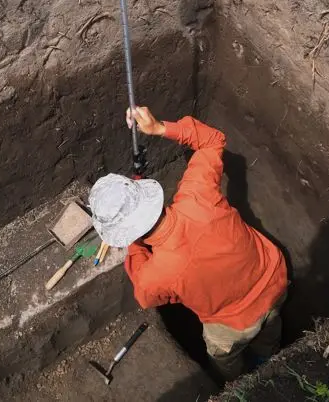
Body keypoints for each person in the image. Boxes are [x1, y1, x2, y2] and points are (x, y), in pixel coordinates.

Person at [88, 106, 288, 381]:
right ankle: (270, 359)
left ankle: (243, 384)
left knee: (225, 357)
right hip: (274, 280)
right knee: (270, 330)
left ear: (123, 234)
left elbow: (145, 295)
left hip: (232, 325)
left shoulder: (154, 276)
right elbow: (213, 140)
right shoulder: (198, 194)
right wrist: (159, 128)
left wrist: (134, 246)